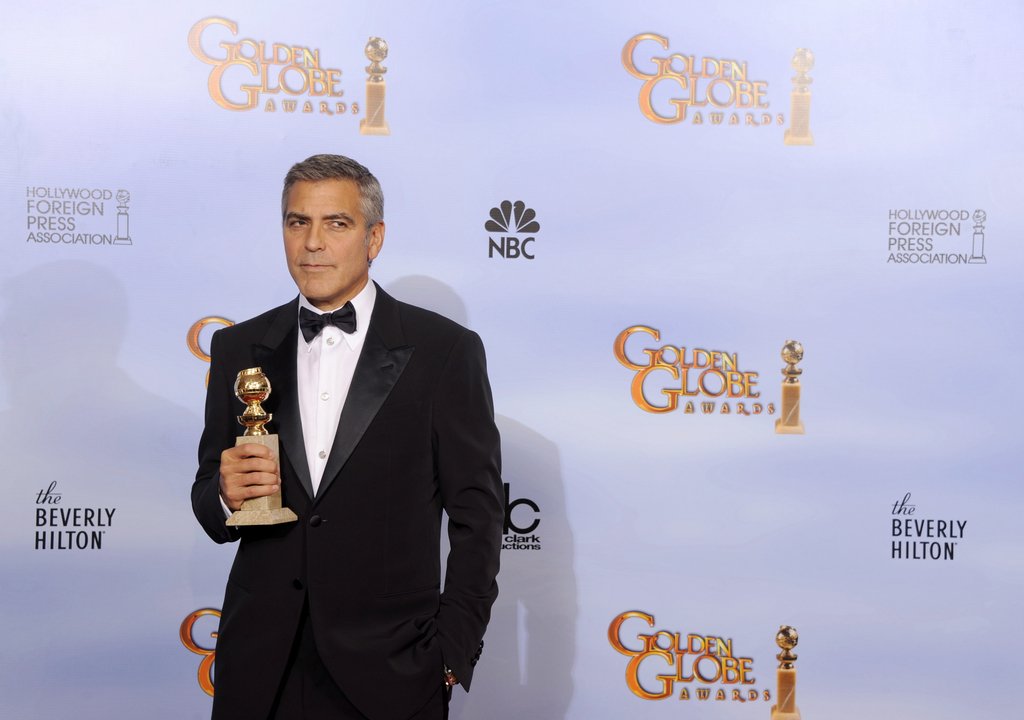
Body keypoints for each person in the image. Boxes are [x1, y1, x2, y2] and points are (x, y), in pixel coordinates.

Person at [191, 154, 503, 719]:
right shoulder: (238, 348)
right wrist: (224, 495)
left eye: (336, 223)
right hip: (260, 671)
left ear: (373, 238)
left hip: (394, 671)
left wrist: (450, 653)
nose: (313, 243)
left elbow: (478, 518)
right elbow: (209, 498)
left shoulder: (445, 352)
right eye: (298, 222)